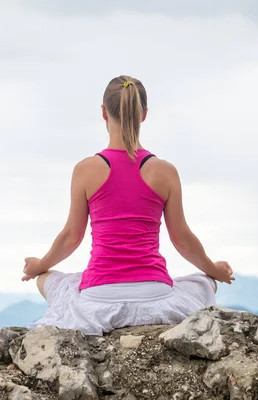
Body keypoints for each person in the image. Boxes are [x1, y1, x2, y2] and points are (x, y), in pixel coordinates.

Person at [22, 75, 235, 336]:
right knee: (205, 283)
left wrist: (39, 266)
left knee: (47, 280)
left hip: (99, 298)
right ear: (144, 114)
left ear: (103, 112)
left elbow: (70, 238)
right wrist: (215, 270)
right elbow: (182, 240)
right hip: (155, 295)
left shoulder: (86, 169)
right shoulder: (165, 171)